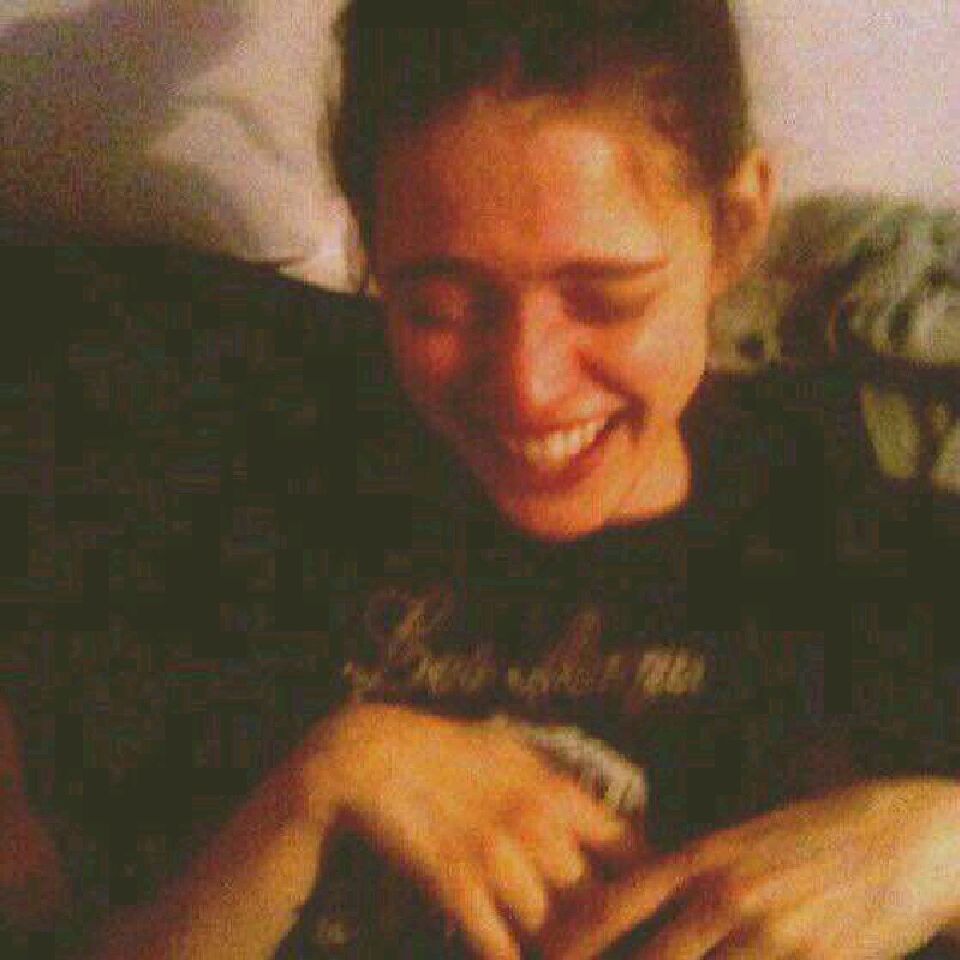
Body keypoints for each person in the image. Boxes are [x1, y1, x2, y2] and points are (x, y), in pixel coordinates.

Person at [43, 1, 956, 958]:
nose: (528, 386)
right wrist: (324, 783)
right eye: (440, 306)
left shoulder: (848, 505)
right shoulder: (249, 471)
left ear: (735, 226)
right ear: (372, 246)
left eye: (605, 299)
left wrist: (943, 846)